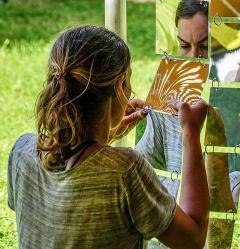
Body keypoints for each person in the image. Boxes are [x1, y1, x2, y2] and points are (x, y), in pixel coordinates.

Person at [7, 26, 209, 249]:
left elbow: (65, 216)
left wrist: (105, 137)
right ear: (120, 86)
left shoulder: (21, 151)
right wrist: (190, 133)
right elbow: (193, 238)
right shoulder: (125, 171)